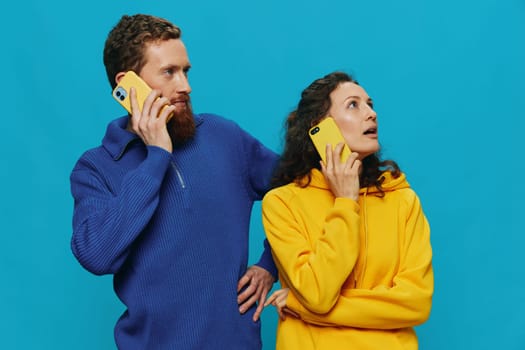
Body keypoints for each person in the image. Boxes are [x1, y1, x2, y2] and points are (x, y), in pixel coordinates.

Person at [70, 14, 278, 349]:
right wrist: (157, 156)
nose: (185, 85)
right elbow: (97, 255)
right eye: (169, 72)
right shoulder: (96, 168)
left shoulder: (224, 137)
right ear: (126, 84)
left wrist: (271, 263)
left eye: (185, 71)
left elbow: (299, 188)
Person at [262, 71, 433, 349]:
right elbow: (318, 294)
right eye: (354, 105)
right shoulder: (282, 203)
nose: (371, 114)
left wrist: (300, 307)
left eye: (370, 104)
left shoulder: (403, 200)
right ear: (319, 127)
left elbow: (416, 303)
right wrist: (345, 201)